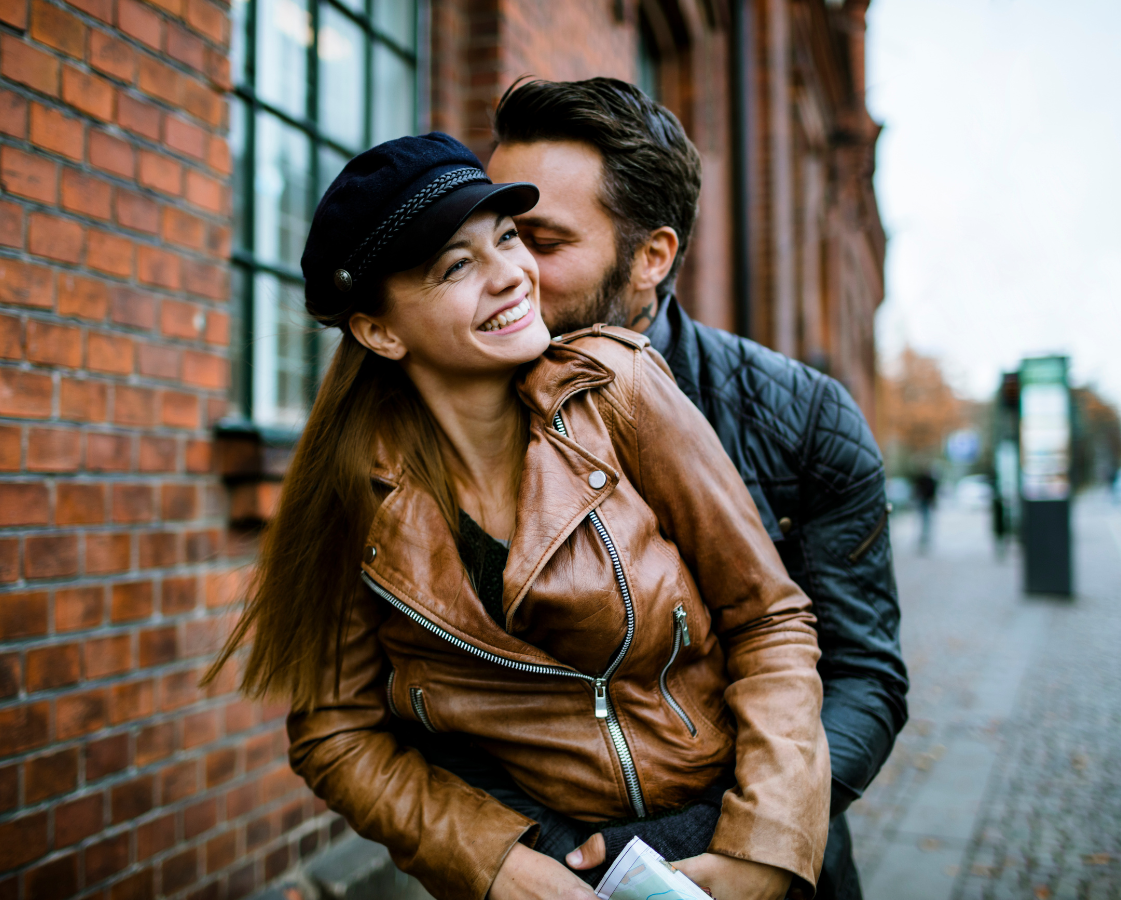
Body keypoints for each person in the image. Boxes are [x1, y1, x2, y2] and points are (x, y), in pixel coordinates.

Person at [206, 133, 831, 900]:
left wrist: (765, 842)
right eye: (457, 266)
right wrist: (491, 862)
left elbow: (768, 618)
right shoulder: (357, 496)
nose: (511, 275)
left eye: (507, 237)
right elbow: (334, 734)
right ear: (379, 331)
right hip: (553, 867)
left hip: (720, 837)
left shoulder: (616, 389)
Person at [476, 77, 909, 900]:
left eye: (539, 240)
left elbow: (863, 676)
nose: (506, 273)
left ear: (652, 257)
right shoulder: (448, 414)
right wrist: (524, 852)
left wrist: (744, 841)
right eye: (494, 235)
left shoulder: (805, 420)